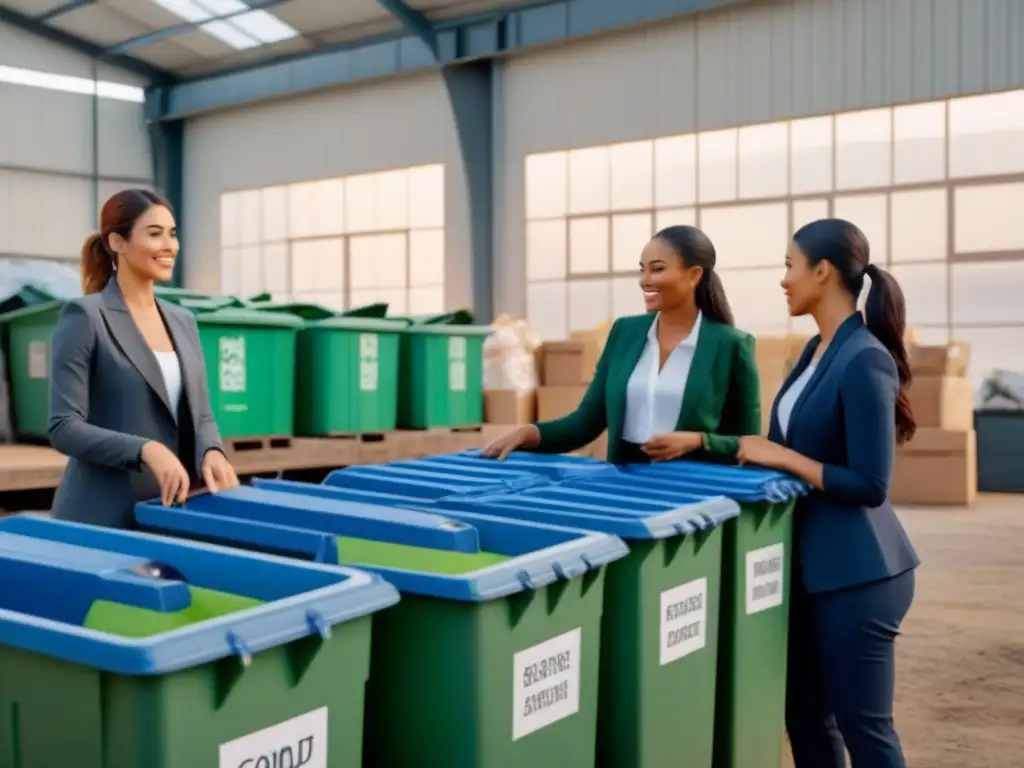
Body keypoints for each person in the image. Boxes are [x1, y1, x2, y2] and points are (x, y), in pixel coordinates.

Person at [737, 218, 919, 768]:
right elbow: (779, 445)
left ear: (822, 271)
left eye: (789, 266)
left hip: (860, 573)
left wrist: (786, 458)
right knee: (806, 721)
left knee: (865, 730)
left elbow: (870, 484)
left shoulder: (865, 358)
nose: (784, 280)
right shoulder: (816, 349)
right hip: (812, 569)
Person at [483, 225, 760, 465]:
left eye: (658, 269)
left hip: (692, 493)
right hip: (624, 483)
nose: (645, 281)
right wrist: (530, 433)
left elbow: (750, 444)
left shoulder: (731, 345)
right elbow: (585, 422)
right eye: (643, 270)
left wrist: (699, 441)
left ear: (694, 275)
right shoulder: (624, 333)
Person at [48, 189, 240, 529]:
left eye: (172, 233)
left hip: (169, 512)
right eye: (155, 234)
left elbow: (202, 414)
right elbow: (64, 427)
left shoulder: (183, 321)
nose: (170, 246)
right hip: (100, 519)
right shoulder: (85, 316)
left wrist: (212, 450)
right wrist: (146, 450)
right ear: (118, 242)